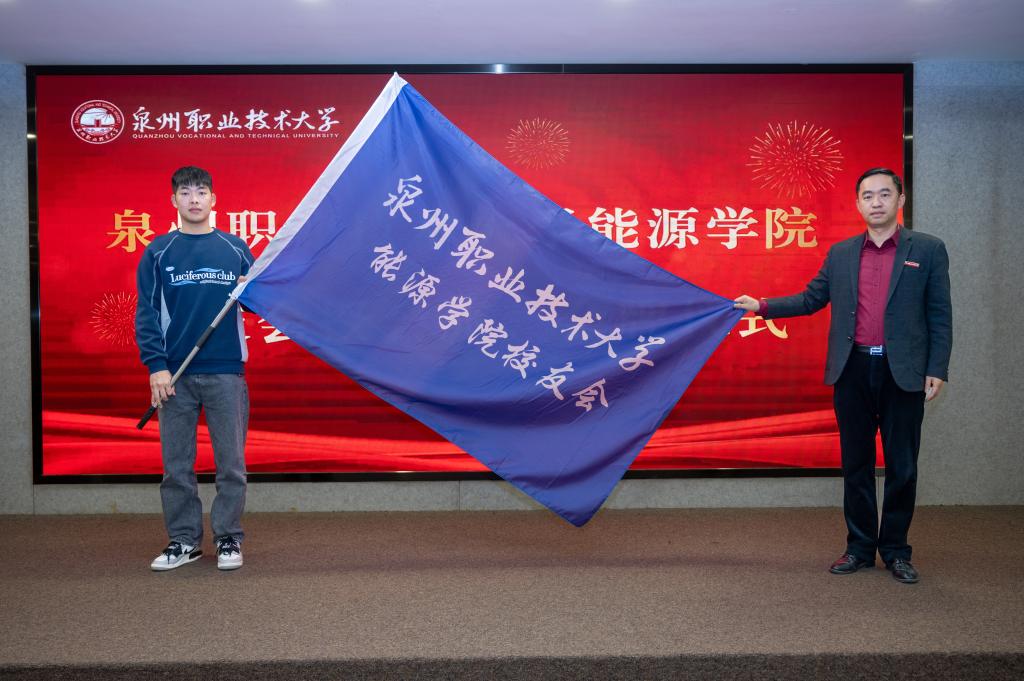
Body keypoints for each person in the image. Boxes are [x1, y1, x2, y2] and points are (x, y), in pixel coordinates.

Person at [734, 168, 952, 584]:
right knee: (856, 464)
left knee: (903, 467)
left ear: (900, 200)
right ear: (858, 204)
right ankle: (859, 548)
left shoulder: (928, 249)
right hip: (852, 369)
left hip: (903, 372)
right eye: (868, 196)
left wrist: (936, 367)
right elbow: (810, 299)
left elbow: (940, 314)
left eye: (884, 194)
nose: (876, 202)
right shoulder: (842, 254)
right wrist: (761, 306)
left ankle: (896, 550)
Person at [135, 166, 255, 571]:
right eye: (185, 193)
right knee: (176, 467)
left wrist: (252, 288)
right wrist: (156, 366)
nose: (194, 199)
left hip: (226, 372)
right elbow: (147, 313)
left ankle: (228, 537)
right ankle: (184, 541)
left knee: (231, 466)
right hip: (174, 376)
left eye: (201, 192)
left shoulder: (235, 248)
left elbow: (259, 304)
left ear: (213, 199)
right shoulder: (159, 251)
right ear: (174, 201)